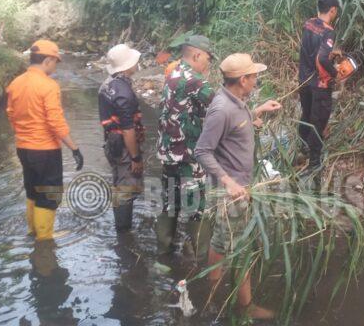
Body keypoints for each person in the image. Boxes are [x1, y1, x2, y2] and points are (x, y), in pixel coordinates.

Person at [195, 53, 282, 320]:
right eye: (254, 76)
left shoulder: (237, 102)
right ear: (242, 79)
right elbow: (202, 151)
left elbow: (237, 123)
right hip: (231, 192)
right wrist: (229, 182)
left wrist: (259, 111)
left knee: (224, 242)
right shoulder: (222, 109)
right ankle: (241, 306)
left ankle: (215, 295)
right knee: (236, 244)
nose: (257, 80)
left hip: (242, 187)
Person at [6, 39, 84, 241]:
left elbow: (11, 115)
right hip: (45, 150)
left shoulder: (15, 83)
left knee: (32, 190)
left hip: (23, 148)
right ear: (48, 60)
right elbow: (55, 122)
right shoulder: (48, 86)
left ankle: (33, 231)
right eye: (55, 62)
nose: (55, 66)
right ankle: (45, 238)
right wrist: (74, 148)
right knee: (49, 195)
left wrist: (23, 135)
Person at [156, 35, 215, 255]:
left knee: (170, 203)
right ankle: (201, 261)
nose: (208, 63)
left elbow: (189, 108)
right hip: (187, 155)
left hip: (168, 152)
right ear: (197, 55)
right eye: (208, 58)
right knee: (196, 207)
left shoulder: (174, 71)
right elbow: (220, 105)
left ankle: (163, 253)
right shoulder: (194, 79)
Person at [98, 43, 145, 232]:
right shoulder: (124, 93)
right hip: (124, 147)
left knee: (119, 184)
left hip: (112, 144)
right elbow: (128, 130)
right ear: (127, 66)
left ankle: (120, 228)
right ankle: (124, 233)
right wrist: (136, 158)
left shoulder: (107, 84)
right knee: (126, 188)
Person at [297, 0, 341, 176]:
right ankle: (314, 162)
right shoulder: (328, 31)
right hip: (319, 84)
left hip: (303, 80)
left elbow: (311, 51)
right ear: (332, 10)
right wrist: (335, 72)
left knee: (306, 114)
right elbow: (322, 58)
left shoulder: (308, 24)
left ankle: (303, 148)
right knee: (318, 120)